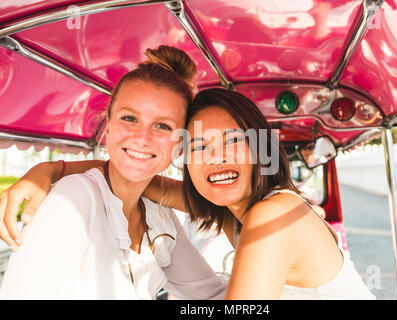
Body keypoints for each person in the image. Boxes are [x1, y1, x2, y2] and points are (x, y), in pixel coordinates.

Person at [0, 88, 375, 300]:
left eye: (233, 141)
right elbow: (138, 175)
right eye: (199, 147)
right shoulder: (233, 209)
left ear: (262, 150)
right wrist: (48, 171)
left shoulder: (272, 214)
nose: (216, 159)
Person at [0, 46, 227, 299]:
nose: (142, 138)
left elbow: (211, 295)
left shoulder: (158, 214)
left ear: (181, 144)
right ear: (108, 126)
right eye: (130, 118)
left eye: (162, 126)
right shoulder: (73, 199)